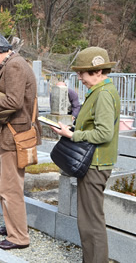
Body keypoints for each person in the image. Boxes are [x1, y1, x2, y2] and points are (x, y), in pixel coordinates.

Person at [51, 47, 120, 262]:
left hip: (95, 164)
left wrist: (73, 135)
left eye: (83, 72)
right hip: (93, 163)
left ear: (98, 72)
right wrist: (72, 129)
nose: (79, 77)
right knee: (88, 221)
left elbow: (104, 133)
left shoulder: (104, 94)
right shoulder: (100, 92)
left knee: (92, 223)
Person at [0, 33, 41, 250]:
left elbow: (14, 101)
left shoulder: (14, 66)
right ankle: (13, 226)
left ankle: (19, 237)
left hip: (14, 135)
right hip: (11, 134)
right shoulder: (13, 64)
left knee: (11, 187)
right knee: (6, 184)